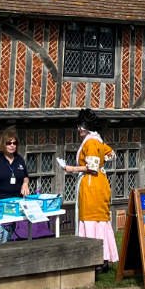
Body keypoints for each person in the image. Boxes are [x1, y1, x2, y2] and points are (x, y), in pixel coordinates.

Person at [61, 108, 117, 271]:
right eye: (79, 125)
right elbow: (111, 154)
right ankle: (103, 257)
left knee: (92, 220)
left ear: (87, 127)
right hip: (99, 183)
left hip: (93, 185)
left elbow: (92, 167)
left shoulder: (92, 142)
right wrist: (101, 163)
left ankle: (97, 258)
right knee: (99, 221)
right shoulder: (98, 141)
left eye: (81, 126)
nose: (79, 129)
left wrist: (71, 168)